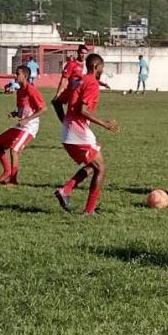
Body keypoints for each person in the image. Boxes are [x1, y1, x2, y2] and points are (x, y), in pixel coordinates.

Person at [52, 53, 120, 215]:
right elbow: (83, 110)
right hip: (78, 133)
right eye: (102, 68)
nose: (102, 71)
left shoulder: (77, 81)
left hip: (69, 132)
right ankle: (89, 210)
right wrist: (105, 124)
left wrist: (65, 121)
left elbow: (56, 102)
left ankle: (65, 190)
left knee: (94, 165)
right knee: (101, 168)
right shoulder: (92, 83)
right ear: (96, 67)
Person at [0, 65, 47, 186]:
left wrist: (27, 119)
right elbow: (24, 109)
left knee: (14, 150)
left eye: (17, 74)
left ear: (25, 76)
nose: (15, 76)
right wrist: (16, 113)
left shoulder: (31, 90)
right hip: (21, 124)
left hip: (30, 126)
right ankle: (7, 171)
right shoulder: (19, 91)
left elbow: (43, 109)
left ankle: (13, 180)